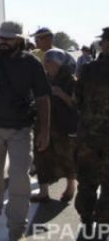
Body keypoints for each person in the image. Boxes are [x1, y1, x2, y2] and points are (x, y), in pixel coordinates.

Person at [0, 21, 51, 241]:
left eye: (8, 38)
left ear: (19, 39)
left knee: (19, 178)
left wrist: (45, 131)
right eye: (1, 37)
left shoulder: (32, 63)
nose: (3, 41)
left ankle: (17, 226)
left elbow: (43, 97)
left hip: (20, 128)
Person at [73, 27, 109, 238]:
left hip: (89, 135)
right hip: (93, 136)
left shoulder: (88, 70)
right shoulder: (88, 69)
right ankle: (103, 224)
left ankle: (87, 220)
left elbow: (77, 101)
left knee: (87, 180)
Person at [30, 49, 77, 203]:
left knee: (67, 157)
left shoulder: (71, 81)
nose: (46, 63)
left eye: (49, 61)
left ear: (58, 63)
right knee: (41, 156)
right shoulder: (42, 79)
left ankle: (70, 187)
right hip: (43, 124)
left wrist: (61, 94)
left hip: (63, 126)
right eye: (45, 60)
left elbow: (77, 104)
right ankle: (43, 192)